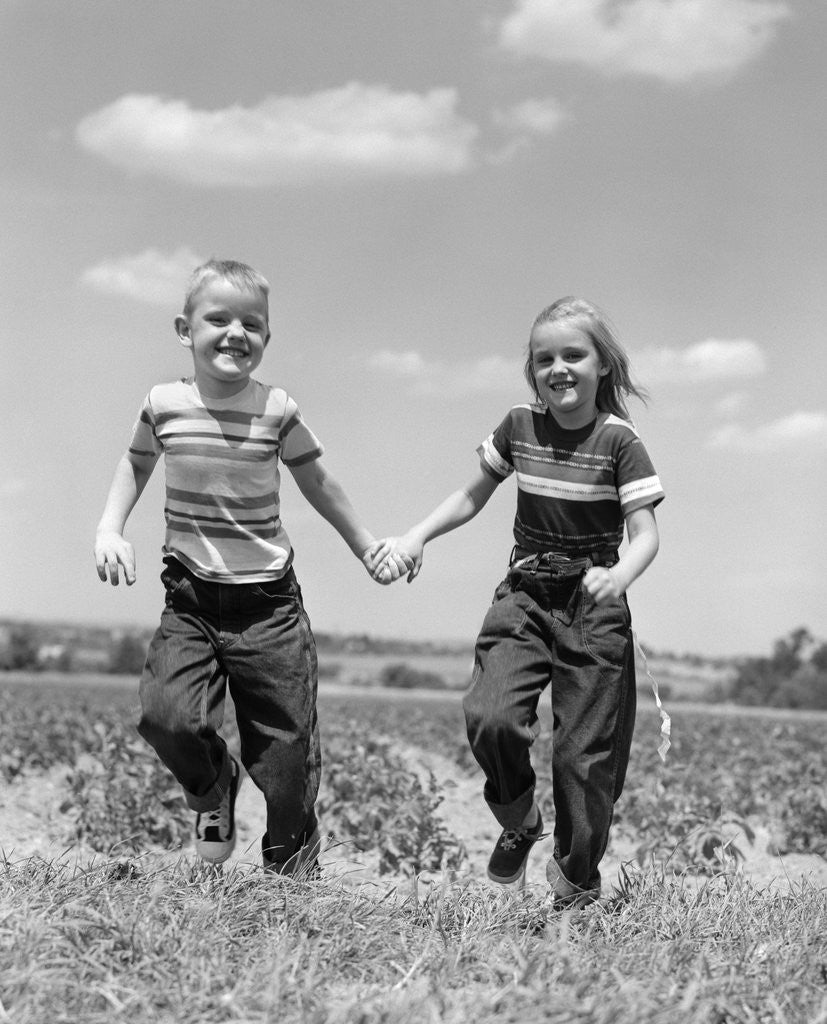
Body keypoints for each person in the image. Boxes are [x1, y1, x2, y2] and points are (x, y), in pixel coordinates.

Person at [94, 259, 409, 875]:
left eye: (252, 323)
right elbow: (134, 464)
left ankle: (288, 871)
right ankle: (214, 789)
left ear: (266, 337)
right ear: (185, 330)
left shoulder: (277, 410)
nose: (236, 333)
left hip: (268, 608)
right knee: (167, 716)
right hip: (189, 599)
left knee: (288, 756)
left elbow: (318, 480)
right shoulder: (163, 404)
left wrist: (365, 544)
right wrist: (110, 527)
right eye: (219, 319)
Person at [370, 296, 663, 906]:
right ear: (532, 370)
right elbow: (472, 494)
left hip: (594, 604)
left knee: (586, 760)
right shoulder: (518, 426)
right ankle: (519, 818)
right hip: (525, 594)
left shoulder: (620, 442)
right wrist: (417, 535)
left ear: (603, 365)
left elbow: (647, 536)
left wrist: (619, 579)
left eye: (574, 355)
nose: (559, 368)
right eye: (544, 358)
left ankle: (575, 886)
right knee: (492, 714)